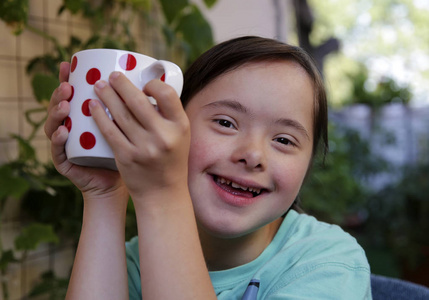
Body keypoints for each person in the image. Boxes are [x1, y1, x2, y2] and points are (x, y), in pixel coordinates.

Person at [44, 36, 372, 299]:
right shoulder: (132, 262)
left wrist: (161, 193)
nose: (252, 155)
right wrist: (104, 194)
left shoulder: (326, 263)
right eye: (226, 122)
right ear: (170, 125)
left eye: (284, 141)